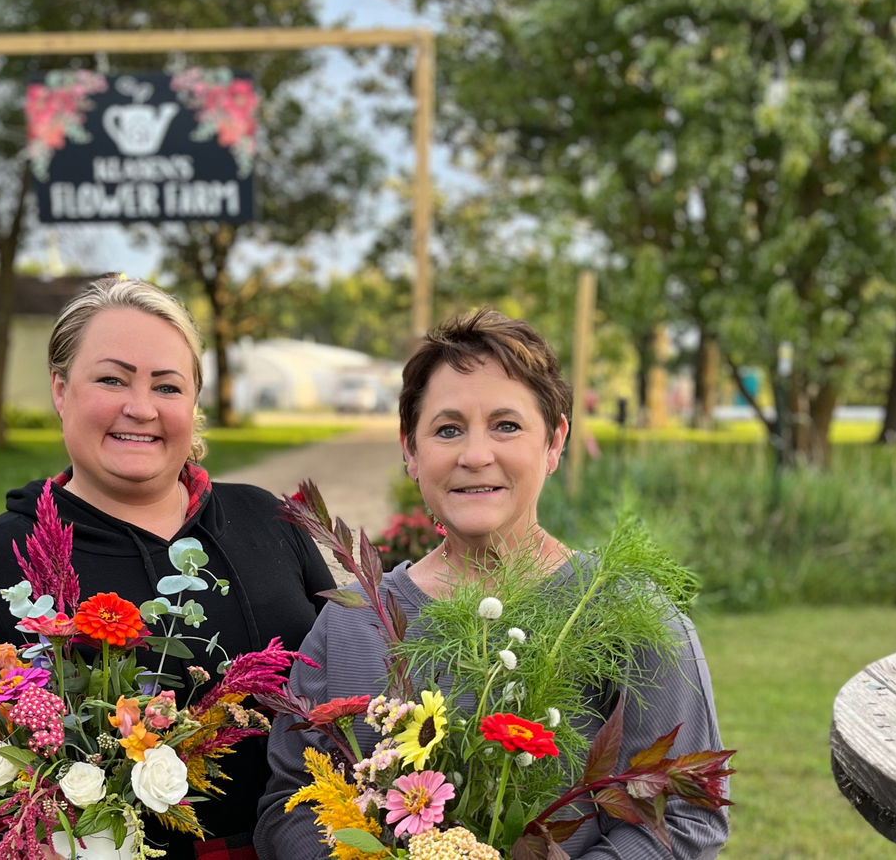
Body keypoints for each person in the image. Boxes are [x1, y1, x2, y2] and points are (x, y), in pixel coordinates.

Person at [255, 308, 728, 859]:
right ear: (410, 450)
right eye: (448, 429)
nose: (476, 456)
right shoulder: (350, 623)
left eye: (507, 426)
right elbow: (288, 805)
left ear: (554, 442)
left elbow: (685, 820)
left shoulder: (627, 615)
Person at [0, 276, 338, 860]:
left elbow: (346, 673)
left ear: (193, 401)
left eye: (168, 386)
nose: (141, 407)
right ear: (60, 388)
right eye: (112, 379)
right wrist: (21, 844)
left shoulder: (270, 521)